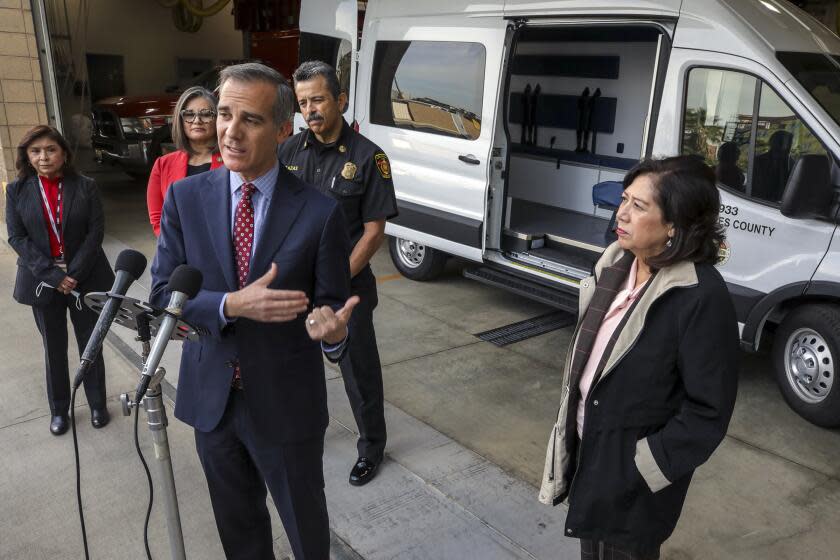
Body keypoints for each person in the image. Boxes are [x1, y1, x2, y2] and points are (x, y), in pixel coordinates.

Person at [150, 63, 357, 560]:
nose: (229, 131)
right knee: (239, 532)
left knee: (306, 531)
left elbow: (331, 308)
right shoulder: (185, 196)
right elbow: (162, 294)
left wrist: (329, 334)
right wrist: (229, 304)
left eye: (251, 119)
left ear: (284, 129)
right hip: (212, 403)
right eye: (223, 114)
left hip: (286, 406)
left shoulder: (319, 210)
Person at [538, 156, 739, 559]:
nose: (622, 213)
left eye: (639, 206)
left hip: (635, 484)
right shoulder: (616, 263)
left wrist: (644, 468)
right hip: (591, 456)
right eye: (624, 199)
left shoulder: (700, 296)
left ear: (674, 226)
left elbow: (708, 411)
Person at [279, 60, 398, 486]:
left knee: (358, 372)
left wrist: (331, 281)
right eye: (303, 101)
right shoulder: (288, 152)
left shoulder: (369, 158)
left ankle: (371, 448)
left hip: (348, 288)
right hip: (295, 286)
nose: (309, 109)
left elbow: (373, 233)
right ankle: (306, 431)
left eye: (318, 99)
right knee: (296, 368)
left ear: (340, 100)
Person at [5, 125, 115, 435]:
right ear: (27, 156)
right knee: (53, 348)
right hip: (42, 281)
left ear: (64, 153)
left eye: (50, 150)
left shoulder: (85, 186)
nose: (43, 157)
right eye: (35, 151)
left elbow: (95, 233)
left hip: (85, 277)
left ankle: (97, 404)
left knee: (90, 345)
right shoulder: (17, 191)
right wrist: (55, 276)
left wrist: (73, 275)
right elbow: (17, 237)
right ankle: (59, 410)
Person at [146, 85, 224, 236]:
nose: (197, 120)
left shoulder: (232, 162)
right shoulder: (163, 164)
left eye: (206, 114)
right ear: (180, 120)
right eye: (189, 114)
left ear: (217, 118)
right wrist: (177, 249)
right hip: (177, 252)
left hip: (221, 250)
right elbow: (157, 220)